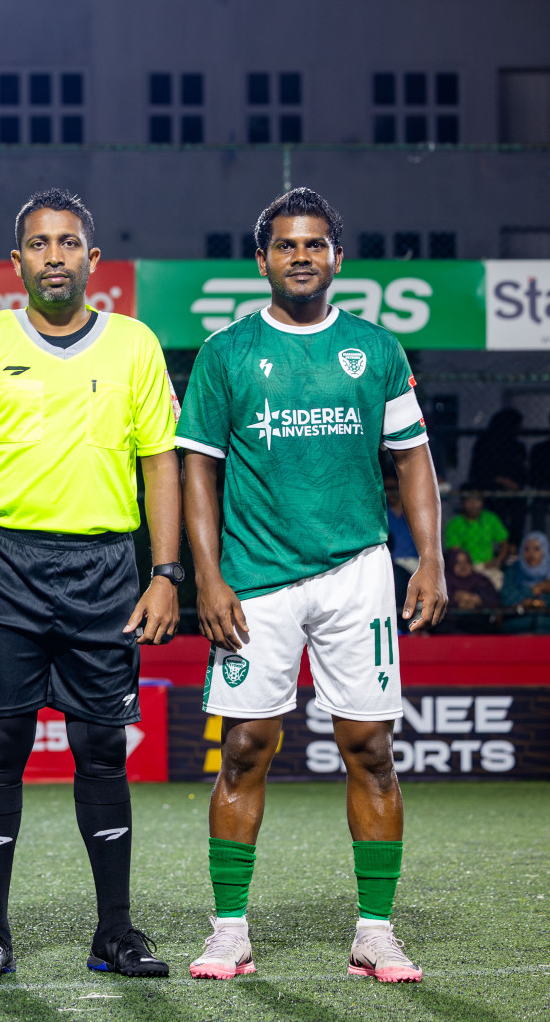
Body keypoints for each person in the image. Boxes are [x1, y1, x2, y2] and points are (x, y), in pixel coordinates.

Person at [177, 188, 446, 984]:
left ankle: (375, 930)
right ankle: (229, 931)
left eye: (316, 244)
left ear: (338, 258)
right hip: (255, 580)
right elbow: (198, 468)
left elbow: (412, 460)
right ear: (261, 260)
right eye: (287, 245)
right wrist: (209, 576)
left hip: (357, 572)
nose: (302, 255)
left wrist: (427, 557)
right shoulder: (226, 352)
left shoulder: (377, 349)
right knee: (244, 748)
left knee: (371, 749)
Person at [0, 188, 181, 982]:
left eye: (68, 244)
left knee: (101, 751)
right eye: (38, 245)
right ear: (16, 262)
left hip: (106, 571)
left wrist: (166, 572)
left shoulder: (135, 345)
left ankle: (115, 930)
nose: (53, 258)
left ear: (92, 259)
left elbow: (160, 465)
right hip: (1, 567)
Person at [467, 408, 527, 545]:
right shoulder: (485, 443)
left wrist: (516, 485)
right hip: (488, 488)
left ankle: (513, 546)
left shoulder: (517, 446)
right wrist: (502, 481)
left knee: (519, 508)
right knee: (497, 507)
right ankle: (496, 546)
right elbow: (479, 472)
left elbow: (522, 472)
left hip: (514, 492)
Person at [443, 492, 511, 587]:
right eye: (469, 500)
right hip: (465, 568)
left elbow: (504, 543)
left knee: (499, 585)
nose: (473, 504)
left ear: (482, 502)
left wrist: (497, 560)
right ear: (462, 503)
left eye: (477, 500)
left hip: (488, 566)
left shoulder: (490, 518)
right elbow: (455, 552)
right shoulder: (454, 524)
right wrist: (468, 567)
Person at [439, 547, 501, 633]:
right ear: (451, 564)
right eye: (458, 562)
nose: (463, 565)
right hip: (451, 627)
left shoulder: (481, 580)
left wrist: (477, 601)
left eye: (466, 561)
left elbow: (495, 603)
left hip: (480, 626)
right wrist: (457, 603)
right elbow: (436, 606)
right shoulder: (442, 582)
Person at [502, 531, 550, 633]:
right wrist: (534, 590)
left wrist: (545, 603)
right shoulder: (513, 570)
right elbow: (506, 600)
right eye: (526, 549)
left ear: (545, 550)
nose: (531, 554)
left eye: (537, 549)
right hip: (518, 627)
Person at [383, 474, 419, 573]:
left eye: (393, 488)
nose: (390, 492)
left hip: (415, 563)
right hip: (391, 564)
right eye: (386, 489)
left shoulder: (414, 511)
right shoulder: (380, 513)